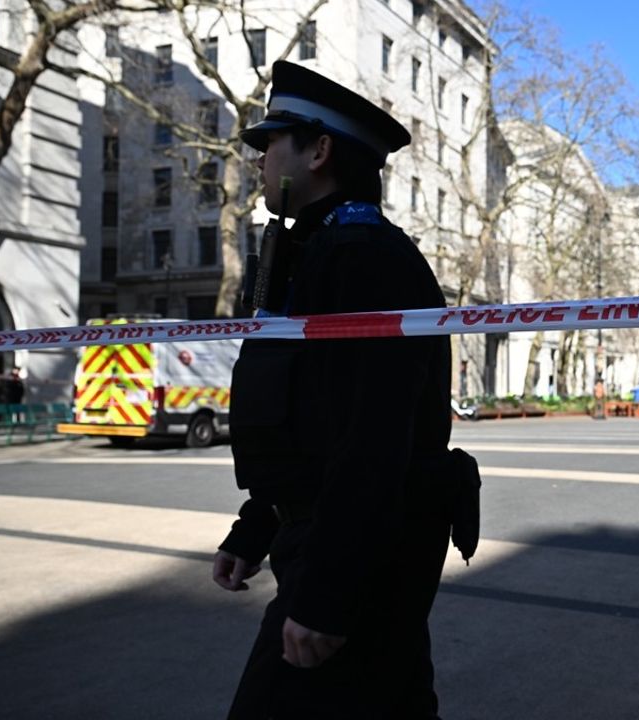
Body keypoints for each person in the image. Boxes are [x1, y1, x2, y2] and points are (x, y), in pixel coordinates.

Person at [213, 60, 457, 718]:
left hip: (359, 551)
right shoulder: (317, 251)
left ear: (319, 150)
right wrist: (257, 526)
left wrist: (328, 596)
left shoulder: (360, 258)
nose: (261, 160)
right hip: (344, 541)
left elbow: (375, 436)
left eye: (272, 144)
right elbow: (309, 425)